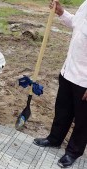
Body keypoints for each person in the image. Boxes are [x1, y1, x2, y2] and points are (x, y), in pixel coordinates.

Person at [33, 0, 87, 168]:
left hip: (84, 81)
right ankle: (54, 139)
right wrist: (61, 12)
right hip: (68, 71)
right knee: (62, 110)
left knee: (83, 120)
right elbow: (76, 24)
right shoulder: (85, 4)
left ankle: (73, 152)